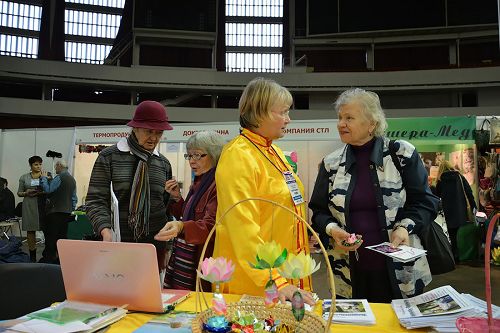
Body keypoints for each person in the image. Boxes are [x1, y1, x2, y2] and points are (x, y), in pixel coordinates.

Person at [309, 88, 439, 303]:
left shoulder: (402, 154)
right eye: (340, 117)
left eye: (349, 118)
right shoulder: (330, 164)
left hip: (402, 274)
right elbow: (319, 212)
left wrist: (404, 227)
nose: (341, 123)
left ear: (372, 124)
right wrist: (333, 231)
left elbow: (426, 202)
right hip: (348, 274)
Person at [213, 77, 314, 305]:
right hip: (256, 281)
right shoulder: (238, 155)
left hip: (284, 273)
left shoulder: (274, 151)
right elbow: (242, 227)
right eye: (283, 112)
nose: (288, 119)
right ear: (260, 114)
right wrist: (275, 279)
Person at [86, 100, 174, 271]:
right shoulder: (109, 157)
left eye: (159, 133)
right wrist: (105, 229)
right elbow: (95, 200)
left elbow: (164, 208)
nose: (154, 138)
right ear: (135, 128)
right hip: (118, 243)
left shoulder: (163, 163)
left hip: (154, 246)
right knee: (118, 294)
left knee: (149, 295)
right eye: (149, 131)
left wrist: (168, 248)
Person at [155, 131, 225, 291]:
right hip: (190, 256)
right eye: (190, 156)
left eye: (199, 156)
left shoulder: (218, 184)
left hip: (203, 259)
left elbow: (210, 226)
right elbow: (189, 214)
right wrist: (177, 198)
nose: (192, 161)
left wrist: (181, 227)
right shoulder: (200, 182)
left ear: (214, 155)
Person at [435, 160, 477, 263]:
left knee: (449, 234)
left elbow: (436, 197)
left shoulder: (440, 180)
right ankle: (456, 255)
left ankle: (451, 255)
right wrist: (473, 206)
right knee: (454, 234)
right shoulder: (459, 177)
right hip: (459, 211)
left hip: (446, 212)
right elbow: (469, 192)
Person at [39, 160, 77, 264]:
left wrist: (44, 178)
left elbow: (48, 190)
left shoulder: (59, 177)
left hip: (55, 212)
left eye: (56, 167)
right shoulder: (72, 180)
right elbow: (74, 198)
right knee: (62, 237)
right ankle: (61, 259)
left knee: (51, 236)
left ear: (60, 166)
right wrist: (70, 209)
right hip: (66, 212)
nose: (55, 169)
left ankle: (48, 259)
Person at [17, 156, 46, 262]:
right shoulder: (24, 177)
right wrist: (26, 192)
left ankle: (47, 254)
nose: (38, 166)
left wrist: (40, 192)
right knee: (30, 230)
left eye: (40, 164)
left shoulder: (46, 176)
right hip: (29, 205)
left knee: (46, 229)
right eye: (36, 164)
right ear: (30, 165)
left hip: (42, 204)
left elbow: (51, 190)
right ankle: (32, 256)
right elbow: (19, 192)